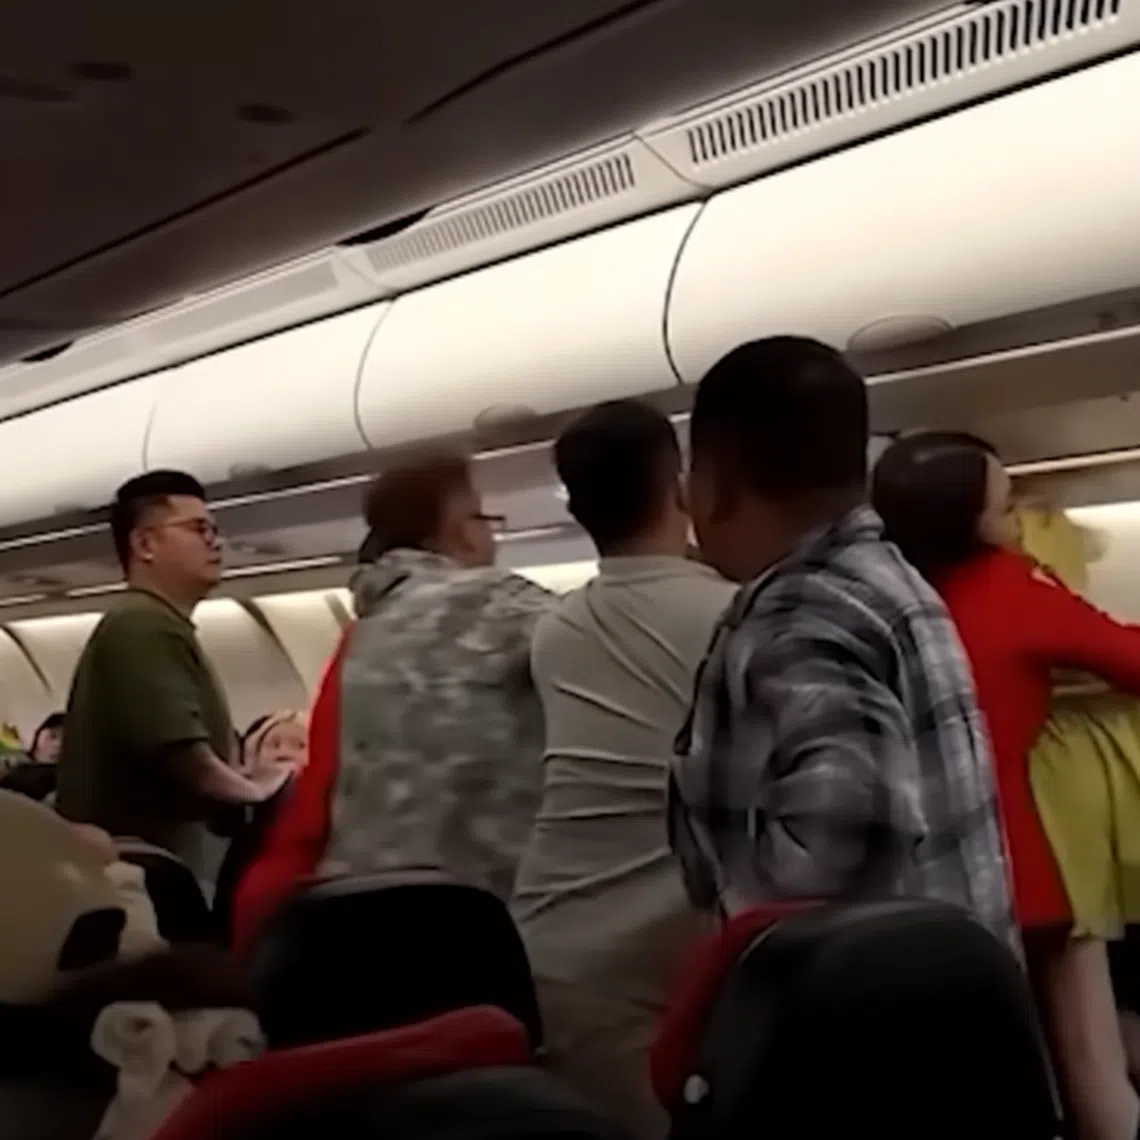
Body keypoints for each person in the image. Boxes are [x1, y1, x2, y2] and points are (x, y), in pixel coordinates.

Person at [670, 337, 1014, 951]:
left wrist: (744, 947)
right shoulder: (893, 581)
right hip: (955, 999)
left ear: (715, 485)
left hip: (856, 1027)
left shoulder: (801, 616)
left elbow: (845, 846)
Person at [873, 432, 1140, 1140]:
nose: (1017, 513)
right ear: (970, 520)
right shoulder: (1008, 585)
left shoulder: (888, 589)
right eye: (1005, 502)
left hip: (908, 871)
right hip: (1016, 860)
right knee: (1086, 1052)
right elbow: (1128, 658)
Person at [511, 401, 734, 1139]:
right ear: (679, 488)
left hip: (561, 947)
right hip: (680, 943)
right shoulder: (741, 616)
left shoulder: (555, 629)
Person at [234, 448, 553, 945]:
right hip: (480, 917)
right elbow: (613, 643)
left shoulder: (361, 633)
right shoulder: (505, 603)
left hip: (354, 917)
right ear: (463, 530)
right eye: (486, 518)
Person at [56, 471, 284, 881]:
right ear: (145, 544)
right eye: (198, 529)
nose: (215, 541)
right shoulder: (141, 623)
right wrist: (257, 791)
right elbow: (181, 755)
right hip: (150, 872)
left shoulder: (156, 623)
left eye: (215, 529)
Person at [0, 712, 65, 802]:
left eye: (66, 742)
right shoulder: (12, 758)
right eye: (53, 736)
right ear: (39, 734)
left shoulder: (60, 782)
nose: (58, 745)